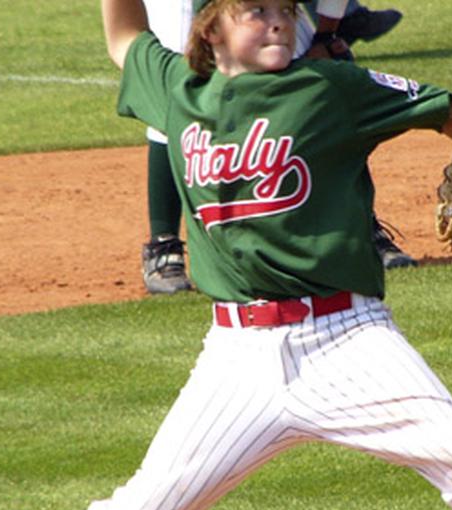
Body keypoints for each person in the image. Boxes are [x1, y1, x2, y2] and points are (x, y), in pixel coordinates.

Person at [38, 1, 452, 510]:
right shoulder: (174, 86)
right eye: (255, 10)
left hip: (348, 340)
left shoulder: (331, 87)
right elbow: (124, 35)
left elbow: (444, 106)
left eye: (284, 7)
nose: (278, 20)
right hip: (236, 358)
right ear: (212, 28)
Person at [140, 0, 410, 295]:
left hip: (269, 8)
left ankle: (358, 229)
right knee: (180, 98)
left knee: (319, 94)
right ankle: (163, 243)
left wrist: (326, 35)